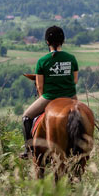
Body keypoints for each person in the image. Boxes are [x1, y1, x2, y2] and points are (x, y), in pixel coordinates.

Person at [20, 26, 79, 158]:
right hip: (70, 97)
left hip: (50, 97)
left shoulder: (42, 61)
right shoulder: (71, 58)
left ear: (47, 42)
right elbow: (74, 80)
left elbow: (40, 87)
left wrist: (45, 101)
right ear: (62, 40)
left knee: (26, 117)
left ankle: (28, 150)